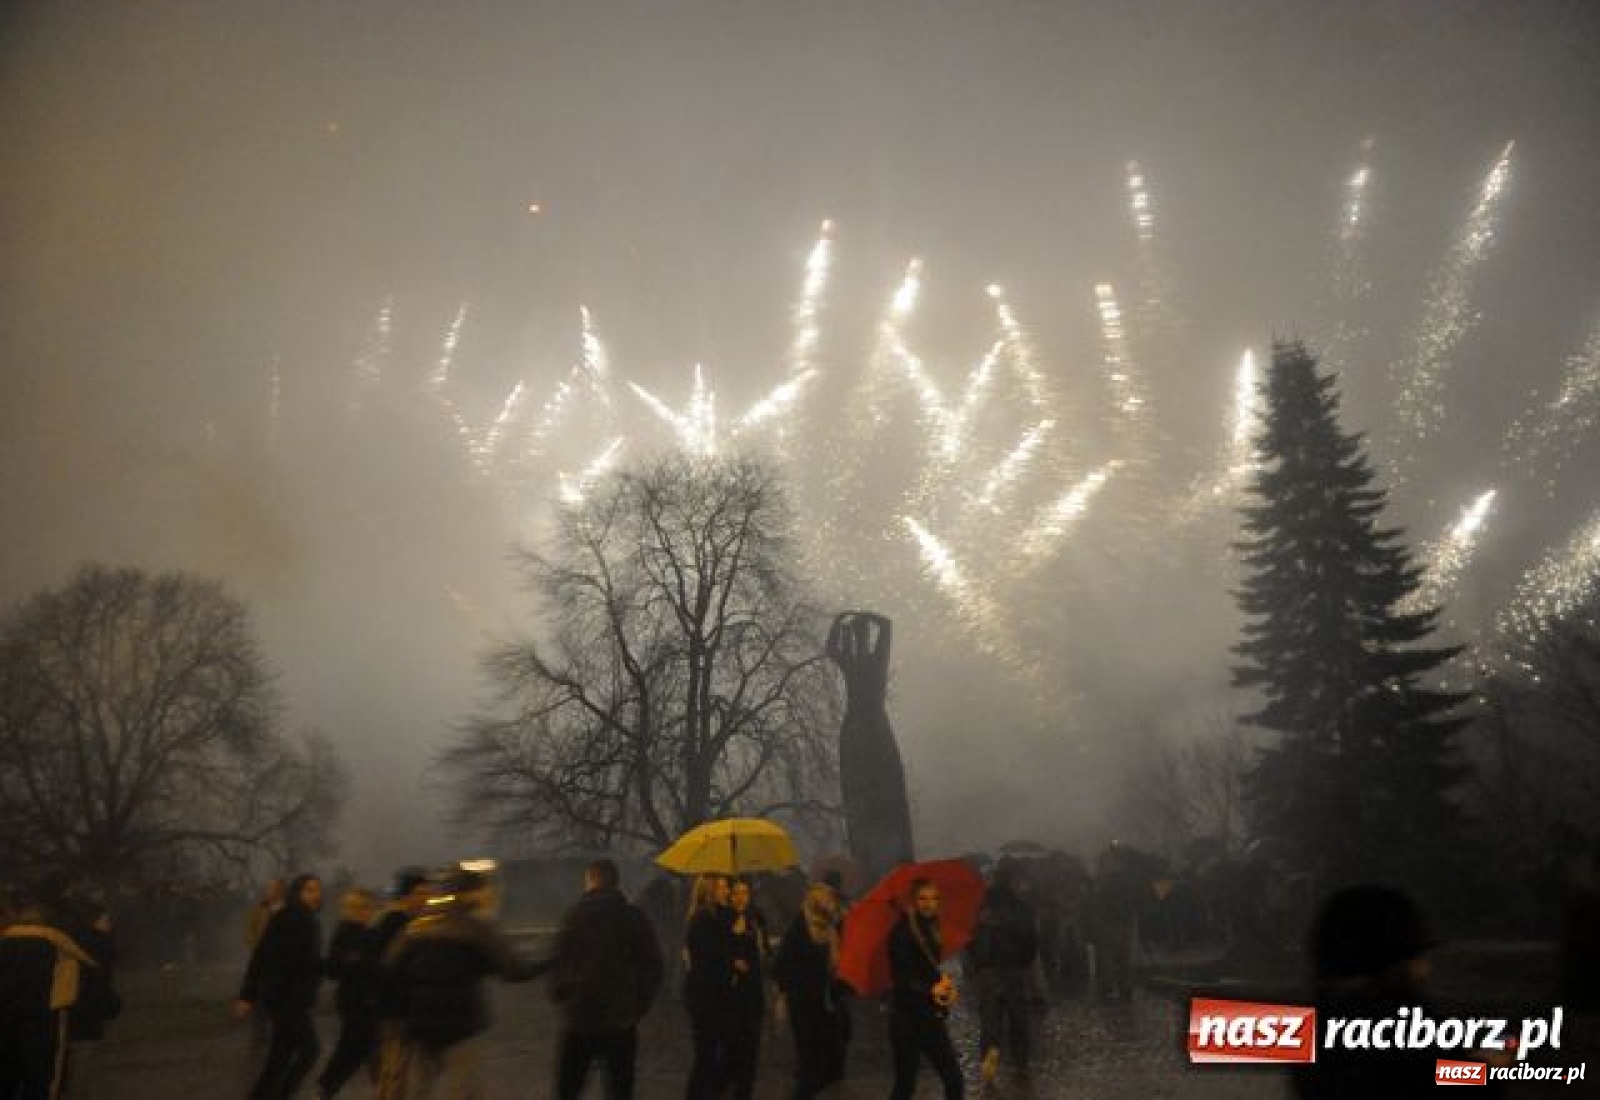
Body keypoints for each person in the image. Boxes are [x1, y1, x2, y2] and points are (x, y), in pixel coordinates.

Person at [1293, 884, 1501, 1097]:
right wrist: (1491, 1067)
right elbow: (1445, 1076)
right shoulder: (1404, 1023)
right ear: (1393, 964)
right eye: (1415, 957)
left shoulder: (1307, 1030)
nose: (1424, 969)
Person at [378, 868, 544, 1099]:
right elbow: (512, 969)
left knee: (420, 1089)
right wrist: (548, 963)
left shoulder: (416, 927)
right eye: (484, 891)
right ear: (471, 893)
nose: (489, 896)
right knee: (464, 1090)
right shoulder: (474, 927)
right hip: (460, 1023)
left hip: (421, 1023)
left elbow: (392, 966)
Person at [547, 858, 666, 1100]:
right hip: (620, 1019)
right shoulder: (632, 917)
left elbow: (559, 962)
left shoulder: (574, 916)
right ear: (615, 882)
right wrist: (637, 1005)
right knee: (620, 1090)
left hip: (580, 1017)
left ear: (591, 880)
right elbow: (653, 964)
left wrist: (563, 997)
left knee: (568, 1089)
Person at [0, 878, 95, 1100]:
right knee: (39, 1082)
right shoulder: (59, 944)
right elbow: (77, 985)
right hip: (43, 1022)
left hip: (9, 1023)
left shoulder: (7, 943)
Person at [236, 873, 326, 1100]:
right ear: (298, 893)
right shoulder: (291, 918)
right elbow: (262, 956)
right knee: (308, 1050)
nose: (316, 895)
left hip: (289, 997)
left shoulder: (305, 918)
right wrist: (247, 995)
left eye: (318, 890)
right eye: (310, 890)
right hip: (286, 998)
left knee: (281, 1055)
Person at [887, 878, 964, 1100]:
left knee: (953, 1078)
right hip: (907, 1019)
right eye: (923, 898)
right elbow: (903, 979)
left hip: (929, 1016)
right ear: (913, 901)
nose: (929, 904)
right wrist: (932, 990)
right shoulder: (901, 934)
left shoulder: (932, 929)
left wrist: (944, 986)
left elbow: (929, 970)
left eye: (934, 898)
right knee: (906, 1083)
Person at [772, 882, 851, 1099]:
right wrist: (800, 985)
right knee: (811, 1061)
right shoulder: (800, 928)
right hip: (805, 1004)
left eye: (830, 900)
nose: (829, 904)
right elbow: (780, 967)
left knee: (833, 1054)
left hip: (828, 1001)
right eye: (824, 900)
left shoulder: (833, 926)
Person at [968, 859, 1039, 1082]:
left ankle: (989, 1068)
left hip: (988, 970)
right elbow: (1030, 941)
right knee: (1018, 1021)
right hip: (1013, 969)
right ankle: (1020, 1064)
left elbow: (970, 941)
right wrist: (1024, 962)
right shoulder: (1021, 907)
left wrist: (977, 964)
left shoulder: (981, 907)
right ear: (1012, 880)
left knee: (991, 1023)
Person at [315, 887, 381, 1098]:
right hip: (358, 1001)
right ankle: (325, 1088)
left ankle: (325, 1088)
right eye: (362, 907)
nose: (367, 911)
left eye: (368, 907)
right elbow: (334, 969)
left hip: (362, 1000)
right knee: (356, 1049)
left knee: (357, 1050)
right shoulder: (350, 933)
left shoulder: (366, 933)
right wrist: (356, 962)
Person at [60, 891, 121, 1100]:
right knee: (82, 1063)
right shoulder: (99, 945)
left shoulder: (69, 939)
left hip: (65, 1007)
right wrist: (110, 1003)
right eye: (106, 919)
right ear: (95, 920)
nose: (110, 924)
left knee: (66, 1059)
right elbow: (98, 982)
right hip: (87, 1011)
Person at [682, 873, 733, 1100]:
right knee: (707, 1055)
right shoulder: (704, 919)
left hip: (710, 996)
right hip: (706, 998)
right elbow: (710, 959)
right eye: (722, 887)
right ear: (711, 891)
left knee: (711, 1054)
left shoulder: (716, 917)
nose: (727, 891)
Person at [722, 879, 769, 1100]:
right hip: (730, 994)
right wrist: (732, 958)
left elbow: (765, 950)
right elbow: (717, 952)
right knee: (731, 1045)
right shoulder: (722, 920)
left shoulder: (756, 918)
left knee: (751, 1046)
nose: (741, 897)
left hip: (753, 992)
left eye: (745, 892)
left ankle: (744, 1090)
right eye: (736, 893)